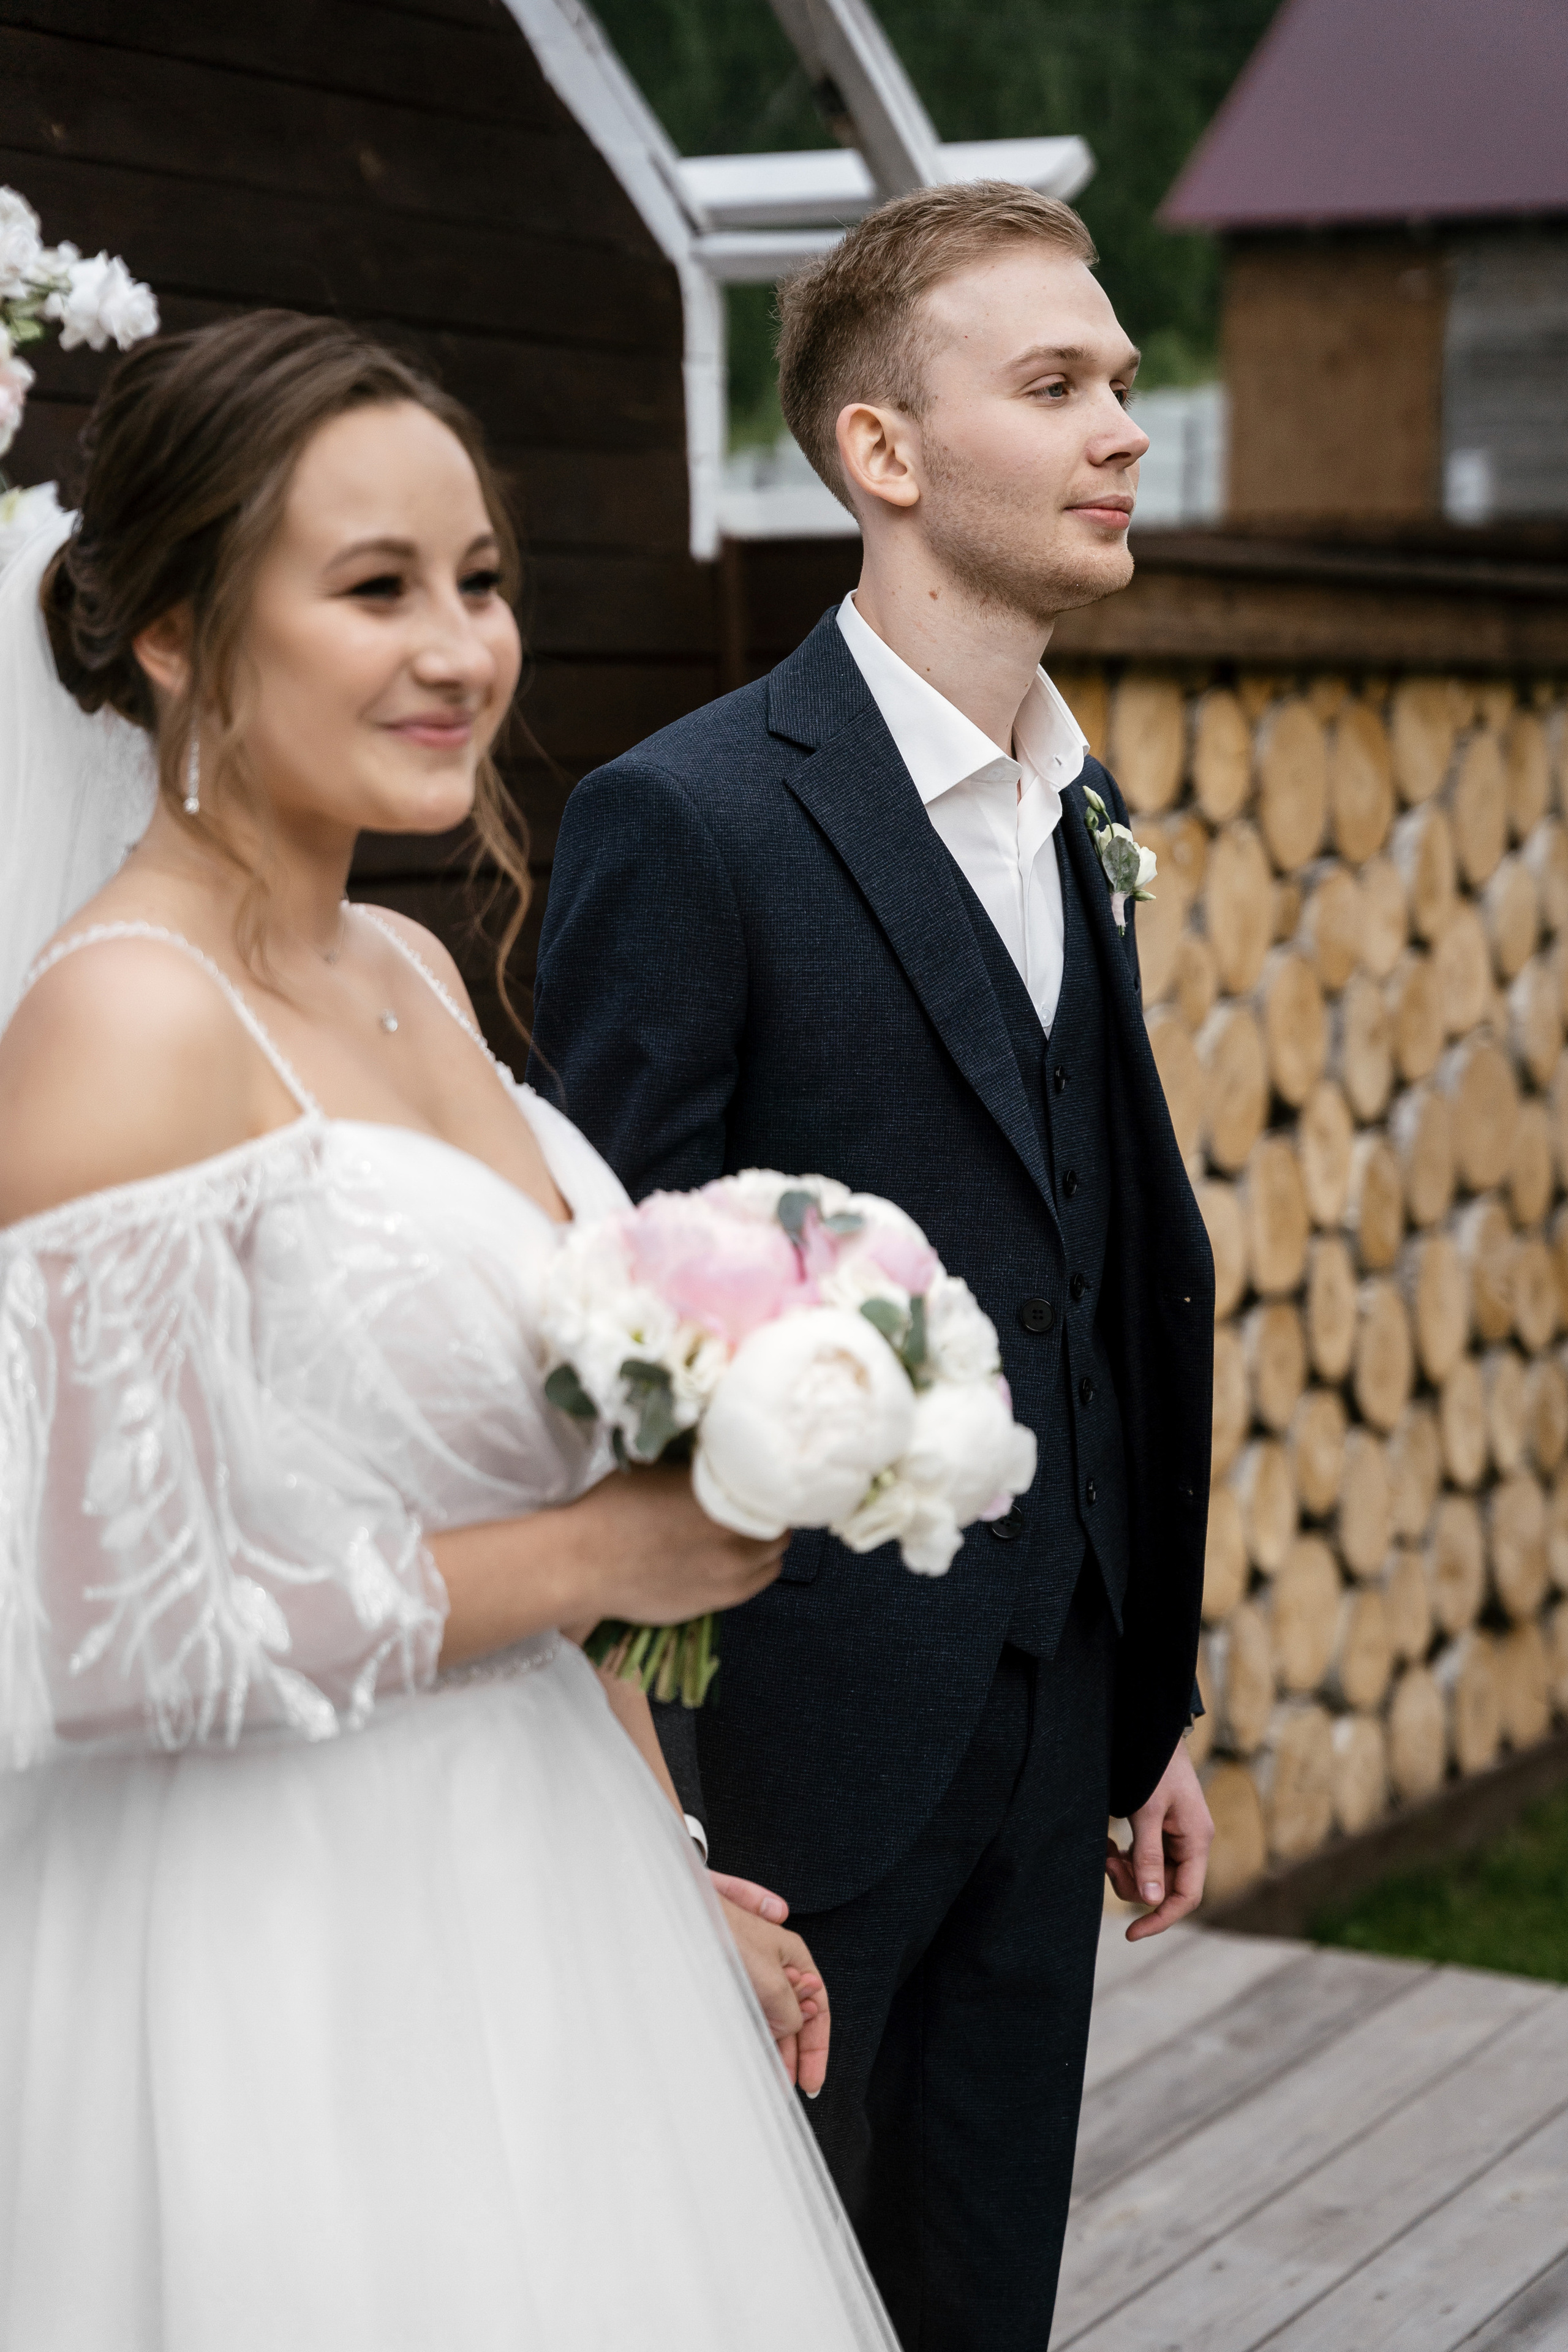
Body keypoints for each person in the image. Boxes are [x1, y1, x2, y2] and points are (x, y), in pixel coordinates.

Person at [0, 309, 900, 2352]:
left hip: (548, 1878)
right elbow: (105, 1630)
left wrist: (671, 1855)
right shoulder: (124, 1024)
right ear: (168, 630)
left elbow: (520, 1461)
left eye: (481, 582)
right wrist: (614, 1556)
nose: (459, 648)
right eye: (375, 587)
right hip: (271, 1944)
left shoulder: (407, 958)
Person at [530, 183, 1216, 2347]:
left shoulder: (1068, 808)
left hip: (1056, 1723)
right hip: (792, 1763)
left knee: (979, 2291)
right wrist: (649, 1836)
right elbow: (589, 1356)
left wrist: (1144, 1692)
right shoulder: (694, 821)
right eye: (1056, 385)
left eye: (1120, 379)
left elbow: (1096, 1255)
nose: (1127, 427)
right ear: (881, 454)